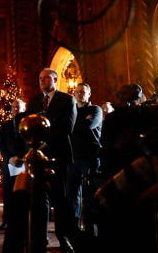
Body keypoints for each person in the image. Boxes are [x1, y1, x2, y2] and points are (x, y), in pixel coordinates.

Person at [24, 68, 78, 253]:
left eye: (45, 78)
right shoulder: (34, 101)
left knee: (60, 199)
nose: (41, 81)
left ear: (54, 79)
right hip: (37, 159)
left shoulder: (67, 100)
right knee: (39, 199)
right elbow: (27, 125)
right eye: (39, 78)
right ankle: (40, 238)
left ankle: (64, 238)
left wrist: (45, 144)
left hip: (58, 156)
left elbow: (67, 127)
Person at [68, 83, 102, 231]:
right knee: (72, 195)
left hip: (90, 156)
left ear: (89, 94)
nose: (80, 94)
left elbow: (87, 126)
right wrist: (80, 122)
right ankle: (74, 228)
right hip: (73, 157)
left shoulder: (95, 110)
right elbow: (67, 128)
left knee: (89, 195)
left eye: (83, 92)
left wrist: (74, 124)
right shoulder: (72, 110)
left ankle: (90, 229)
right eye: (77, 92)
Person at [0, 98, 27, 230]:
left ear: (23, 109)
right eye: (14, 107)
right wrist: (9, 158)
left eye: (19, 107)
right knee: (8, 193)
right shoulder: (5, 125)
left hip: (23, 163)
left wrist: (22, 158)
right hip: (9, 163)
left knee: (22, 193)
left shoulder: (28, 125)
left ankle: (22, 222)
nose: (16, 109)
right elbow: (0, 145)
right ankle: (6, 220)